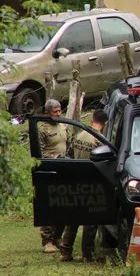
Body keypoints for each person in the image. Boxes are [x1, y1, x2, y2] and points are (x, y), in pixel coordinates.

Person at [59, 109, 109, 262]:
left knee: (73, 216)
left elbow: (71, 155)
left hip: (76, 179)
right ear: (105, 123)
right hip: (91, 182)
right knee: (90, 219)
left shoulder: (79, 135)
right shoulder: (100, 139)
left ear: (92, 119)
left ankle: (65, 251)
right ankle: (88, 254)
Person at [37, 99, 68, 254]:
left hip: (63, 169)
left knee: (61, 203)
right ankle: (47, 240)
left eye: (59, 110)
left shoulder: (63, 125)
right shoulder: (42, 129)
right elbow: (38, 153)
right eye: (55, 111)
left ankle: (57, 236)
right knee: (49, 204)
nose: (58, 114)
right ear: (47, 112)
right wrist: (53, 157)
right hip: (49, 170)